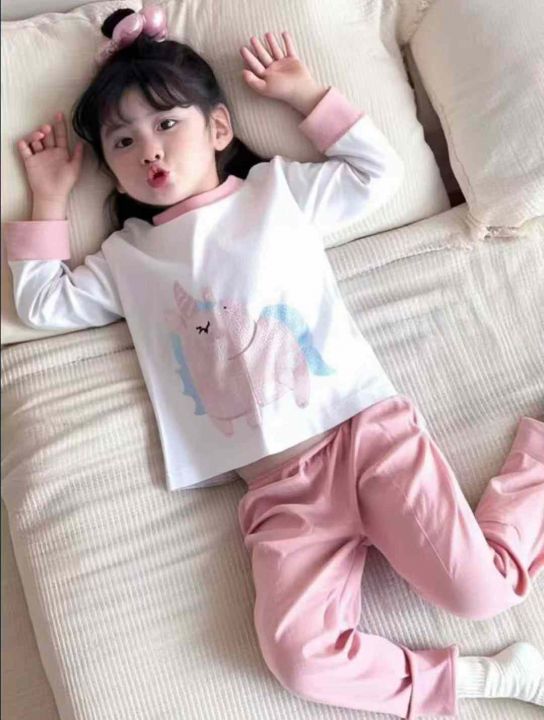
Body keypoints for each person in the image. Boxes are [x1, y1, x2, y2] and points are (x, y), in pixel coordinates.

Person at [5, 6, 543, 719]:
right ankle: (478, 681)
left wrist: (306, 96)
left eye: (167, 124)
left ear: (218, 129)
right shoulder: (127, 259)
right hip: (280, 490)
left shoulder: (275, 193)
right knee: (298, 657)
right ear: (111, 169)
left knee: (482, 591)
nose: (149, 151)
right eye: (124, 141)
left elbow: (375, 173)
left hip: (364, 437)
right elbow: (42, 304)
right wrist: (48, 196)